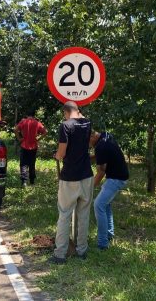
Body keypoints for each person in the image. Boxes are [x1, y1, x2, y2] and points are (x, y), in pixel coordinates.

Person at [51, 101, 94, 264]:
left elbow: (62, 152)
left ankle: (60, 254)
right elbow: (81, 117)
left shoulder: (65, 126)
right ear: (78, 110)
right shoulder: (87, 123)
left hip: (69, 177)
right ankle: (82, 250)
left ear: (65, 112)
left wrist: (57, 156)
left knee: (64, 214)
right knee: (83, 214)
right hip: (86, 176)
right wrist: (77, 112)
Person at [90, 130, 129, 250]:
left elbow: (101, 171)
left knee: (98, 205)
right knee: (105, 205)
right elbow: (104, 155)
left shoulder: (101, 146)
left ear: (92, 136)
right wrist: (89, 158)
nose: (88, 145)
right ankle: (109, 234)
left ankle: (102, 244)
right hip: (119, 175)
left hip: (116, 179)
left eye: (87, 141)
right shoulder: (105, 136)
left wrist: (89, 189)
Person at [15, 110, 47, 186]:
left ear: (27, 115)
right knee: (32, 163)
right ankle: (32, 181)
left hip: (24, 146)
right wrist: (38, 139)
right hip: (33, 146)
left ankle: (24, 181)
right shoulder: (37, 123)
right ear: (34, 115)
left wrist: (19, 138)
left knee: (23, 164)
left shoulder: (23, 121)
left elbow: (15, 129)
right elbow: (45, 132)